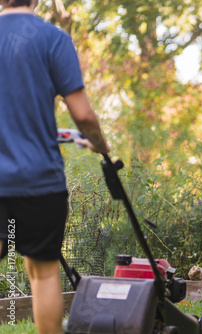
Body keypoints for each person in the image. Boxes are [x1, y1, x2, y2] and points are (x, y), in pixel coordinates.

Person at [0, 1, 109, 333]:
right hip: (39, 179)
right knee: (43, 272)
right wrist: (101, 146)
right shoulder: (52, 38)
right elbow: (85, 115)